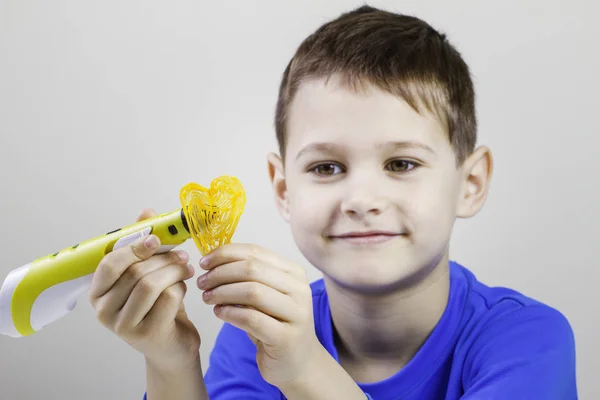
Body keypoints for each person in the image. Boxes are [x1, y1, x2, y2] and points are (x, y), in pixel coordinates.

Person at [88, 5, 578, 399]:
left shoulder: (528, 341)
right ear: (283, 189)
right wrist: (170, 362)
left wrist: (304, 369)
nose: (361, 199)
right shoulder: (255, 334)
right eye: (326, 168)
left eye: (402, 164)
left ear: (469, 183)